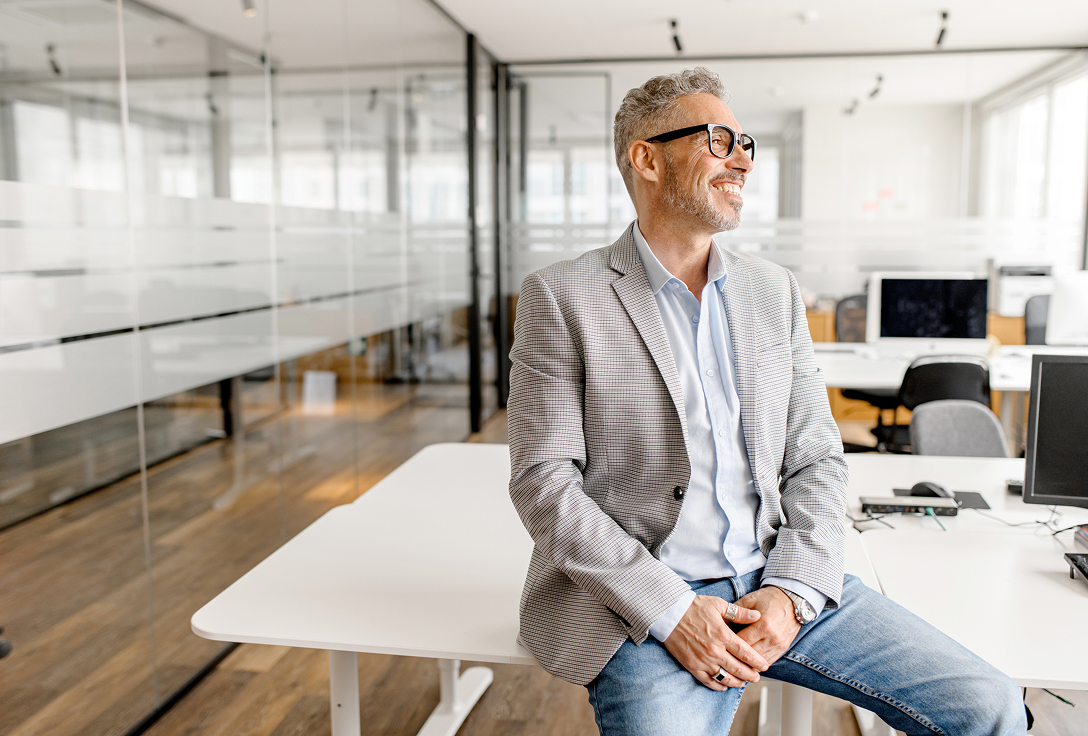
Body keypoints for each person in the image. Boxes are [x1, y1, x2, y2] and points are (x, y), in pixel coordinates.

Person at [506, 68, 1026, 735]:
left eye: (745, 142)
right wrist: (671, 609)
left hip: (780, 575)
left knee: (990, 707)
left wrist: (792, 591)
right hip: (643, 603)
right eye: (719, 139)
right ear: (647, 159)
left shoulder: (772, 290)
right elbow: (544, 484)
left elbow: (817, 458)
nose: (743, 158)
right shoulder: (562, 296)